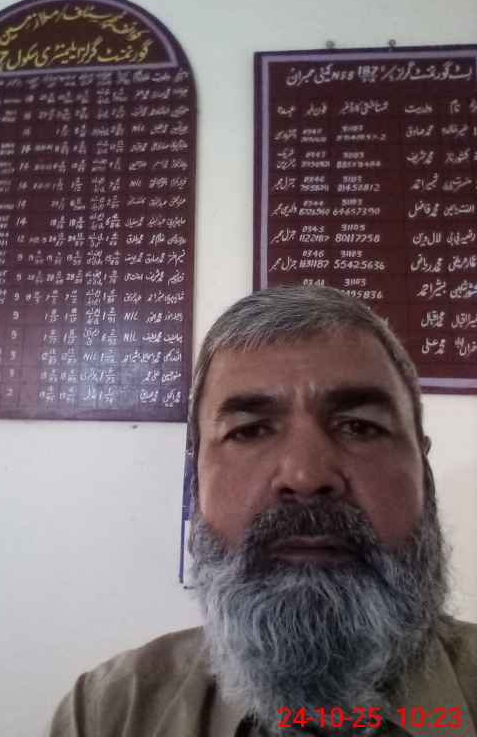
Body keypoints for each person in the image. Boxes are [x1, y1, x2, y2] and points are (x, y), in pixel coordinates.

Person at [50, 286, 477, 737]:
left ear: (424, 476)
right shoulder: (108, 715)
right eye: (250, 431)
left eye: (359, 427)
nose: (305, 475)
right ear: (196, 485)